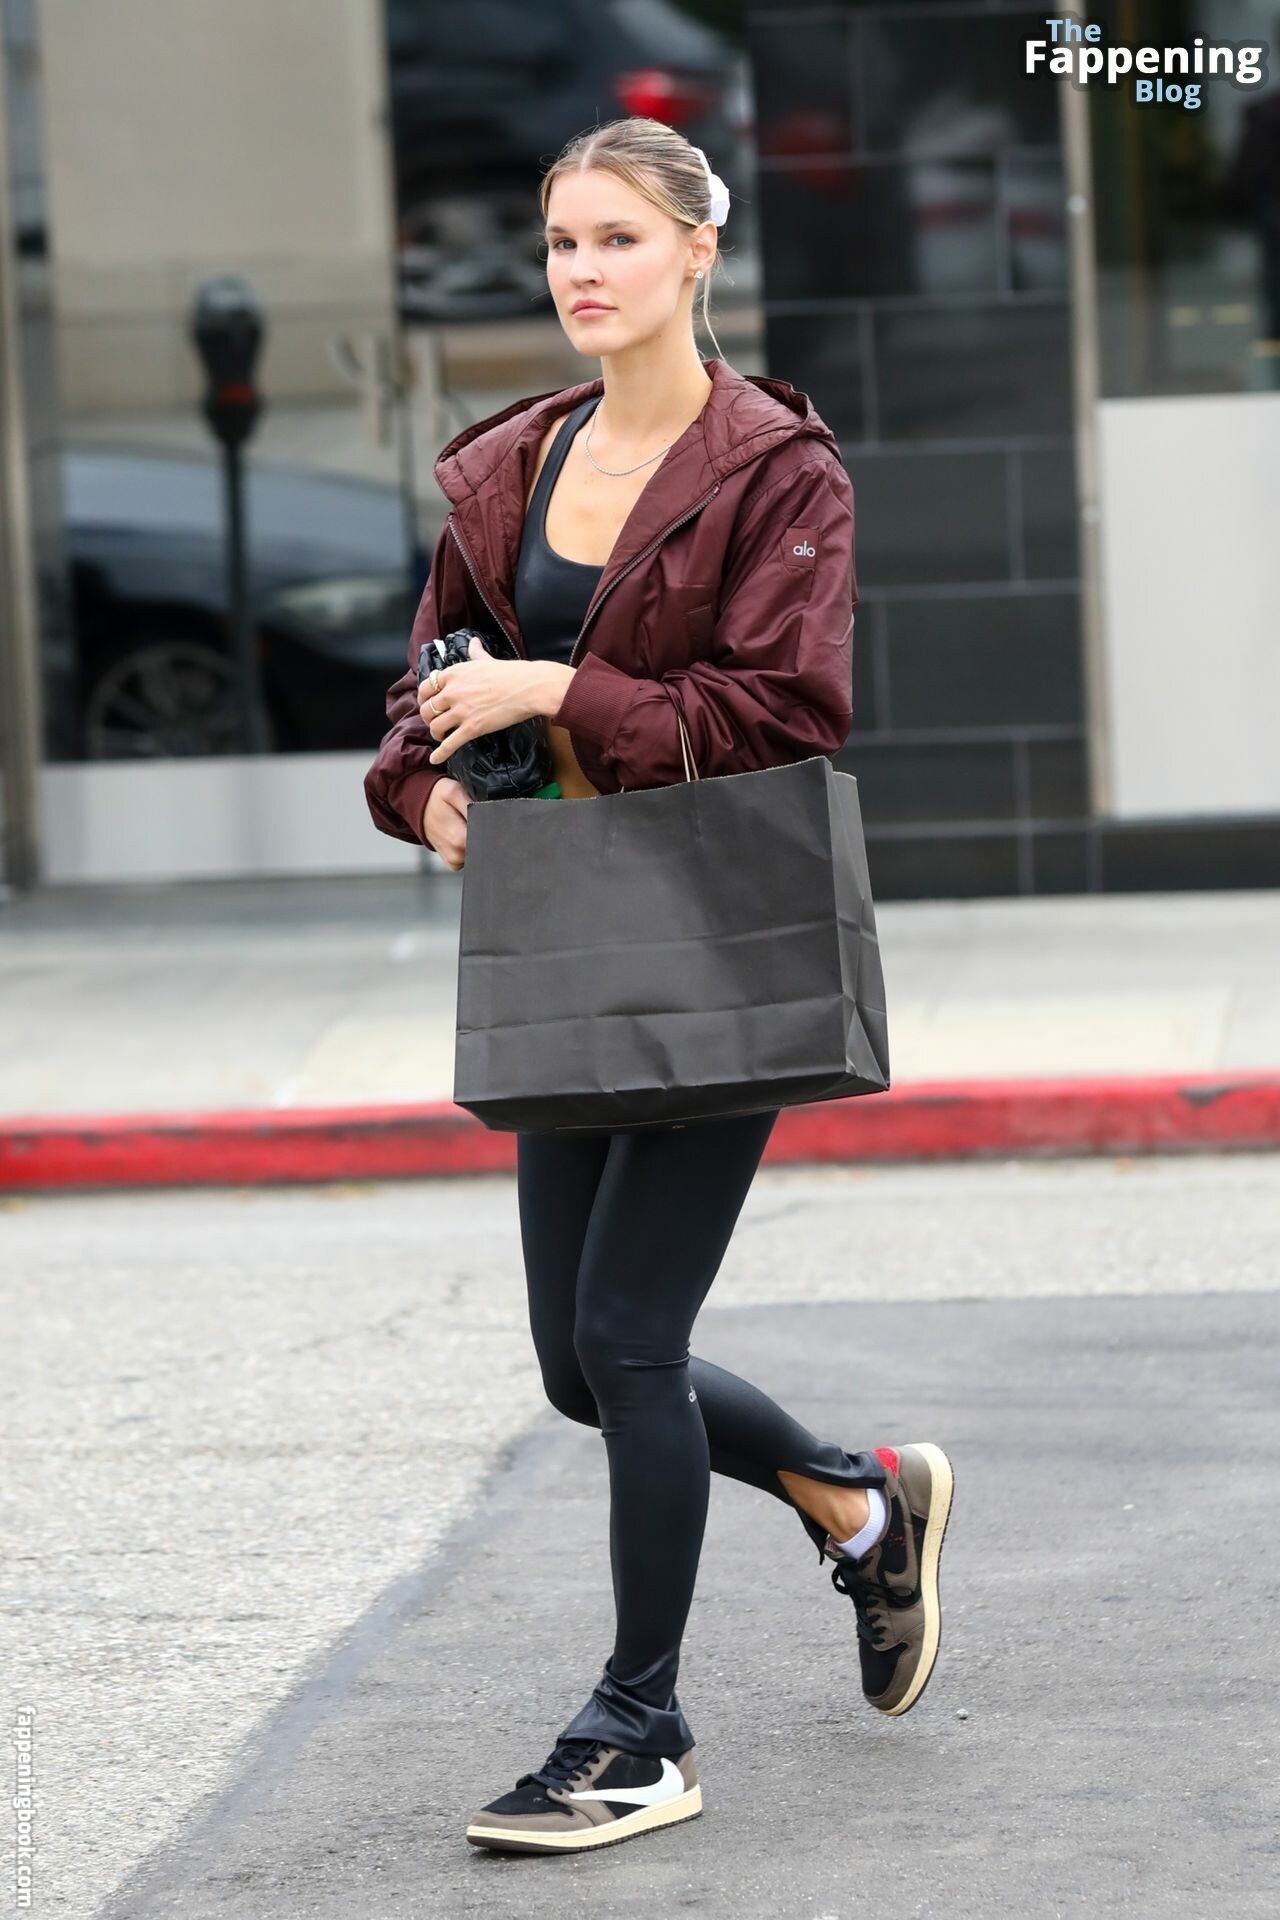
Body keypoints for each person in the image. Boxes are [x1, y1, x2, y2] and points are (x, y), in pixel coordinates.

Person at [362, 115, 954, 1857]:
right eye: (562, 243)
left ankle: (638, 1729)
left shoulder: (778, 471)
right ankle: (859, 1501)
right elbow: (423, 690)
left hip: (714, 938)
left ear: (700, 250)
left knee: (630, 1337)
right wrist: (425, 788)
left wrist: (560, 689)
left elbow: (787, 712)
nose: (582, 272)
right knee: (577, 1361)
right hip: (565, 935)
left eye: (617, 238)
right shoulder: (511, 465)